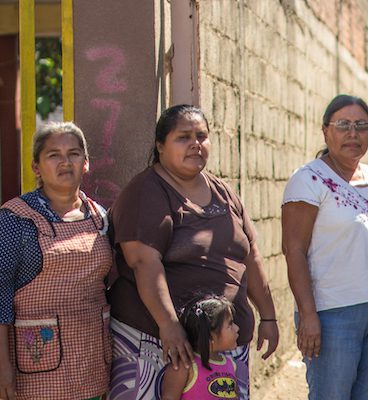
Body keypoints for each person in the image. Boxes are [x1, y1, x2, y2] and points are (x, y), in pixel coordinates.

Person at [107, 105, 278, 399]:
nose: (195, 144)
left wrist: (269, 316)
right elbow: (143, 263)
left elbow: (251, 257)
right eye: (183, 137)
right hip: (159, 343)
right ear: (160, 145)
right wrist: (170, 325)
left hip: (224, 347)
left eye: (202, 136)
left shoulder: (224, 192)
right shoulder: (146, 192)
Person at [282, 95, 368, 400]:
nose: (353, 133)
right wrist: (308, 316)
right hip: (334, 314)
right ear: (326, 131)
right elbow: (294, 249)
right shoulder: (309, 180)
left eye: (362, 126)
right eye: (343, 125)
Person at [0, 122, 112, 399]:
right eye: (54, 155)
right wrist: (2, 365)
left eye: (74, 154)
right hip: (35, 367)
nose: (65, 162)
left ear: (85, 164)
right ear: (36, 167)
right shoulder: (16, 219)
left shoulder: (101, 217)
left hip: (93, 362)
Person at [161, 296, 240, 400]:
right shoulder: (185, 367)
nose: (237, 328)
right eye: (230, 324)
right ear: (210, 336)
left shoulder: (231, 365)